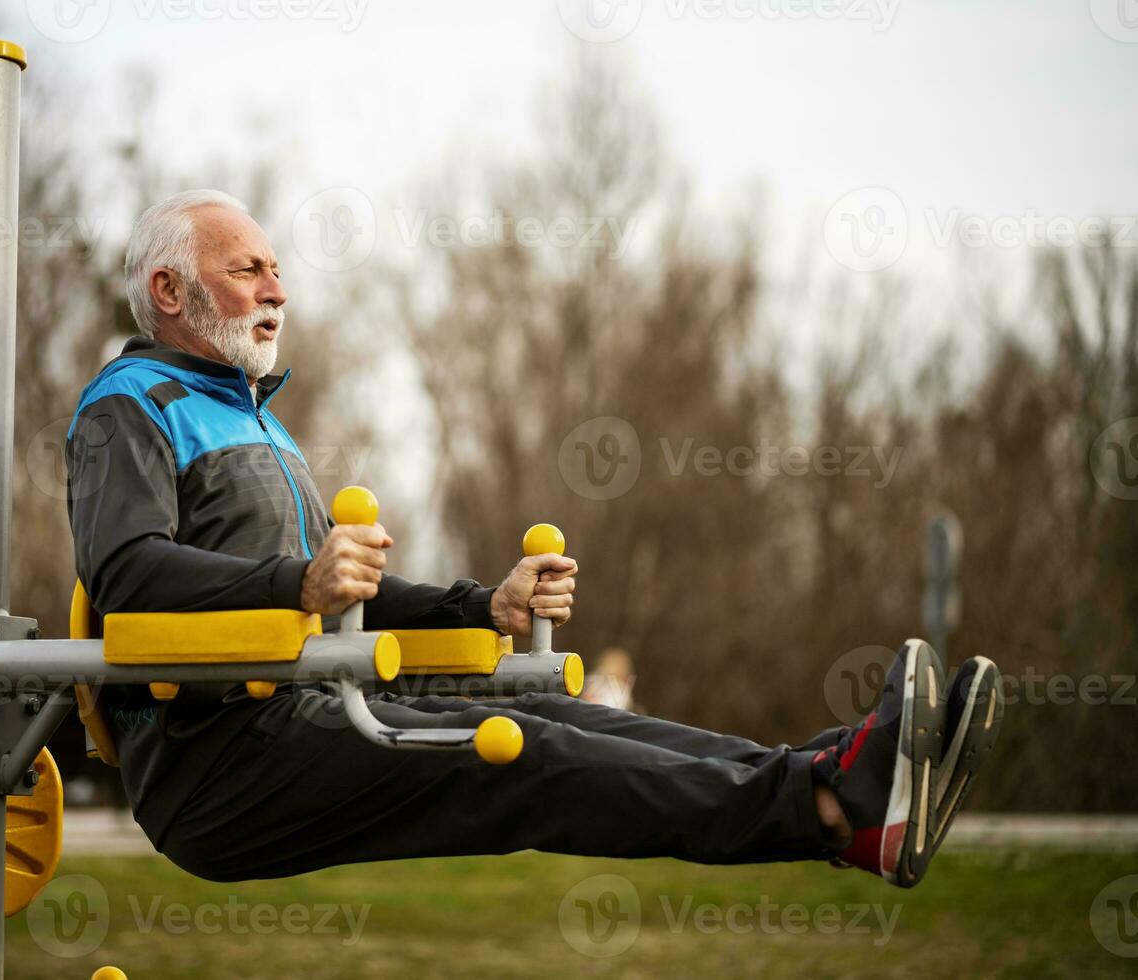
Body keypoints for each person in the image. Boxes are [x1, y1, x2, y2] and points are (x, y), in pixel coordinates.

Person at [64, 190, 1004, 886]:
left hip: (301, 711)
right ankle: (835, 807)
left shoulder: (261, 423)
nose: (279, 289)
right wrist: (297, 584)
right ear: (171, 291)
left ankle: (834, 776)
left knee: (574, 720)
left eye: (276, 269)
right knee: (528, 755)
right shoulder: (127, 407)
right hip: (217, 759)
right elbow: (126, 575)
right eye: (249, 270)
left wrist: (486, 605)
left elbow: (334, 597)